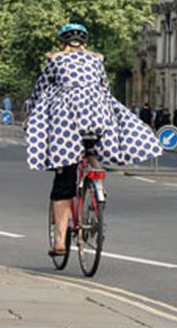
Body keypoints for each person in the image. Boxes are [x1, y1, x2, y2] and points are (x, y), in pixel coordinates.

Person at [24, 23, 162, 255]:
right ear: (85, 43)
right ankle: (98, 183)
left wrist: (31, 115)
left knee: (64, 179)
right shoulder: (96, 61)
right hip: (97, 120)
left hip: (66, 123)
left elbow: (40, 91)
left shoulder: (55, 61)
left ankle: (59, 241)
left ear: (62, 43)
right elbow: (105, 90)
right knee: (91, 149)